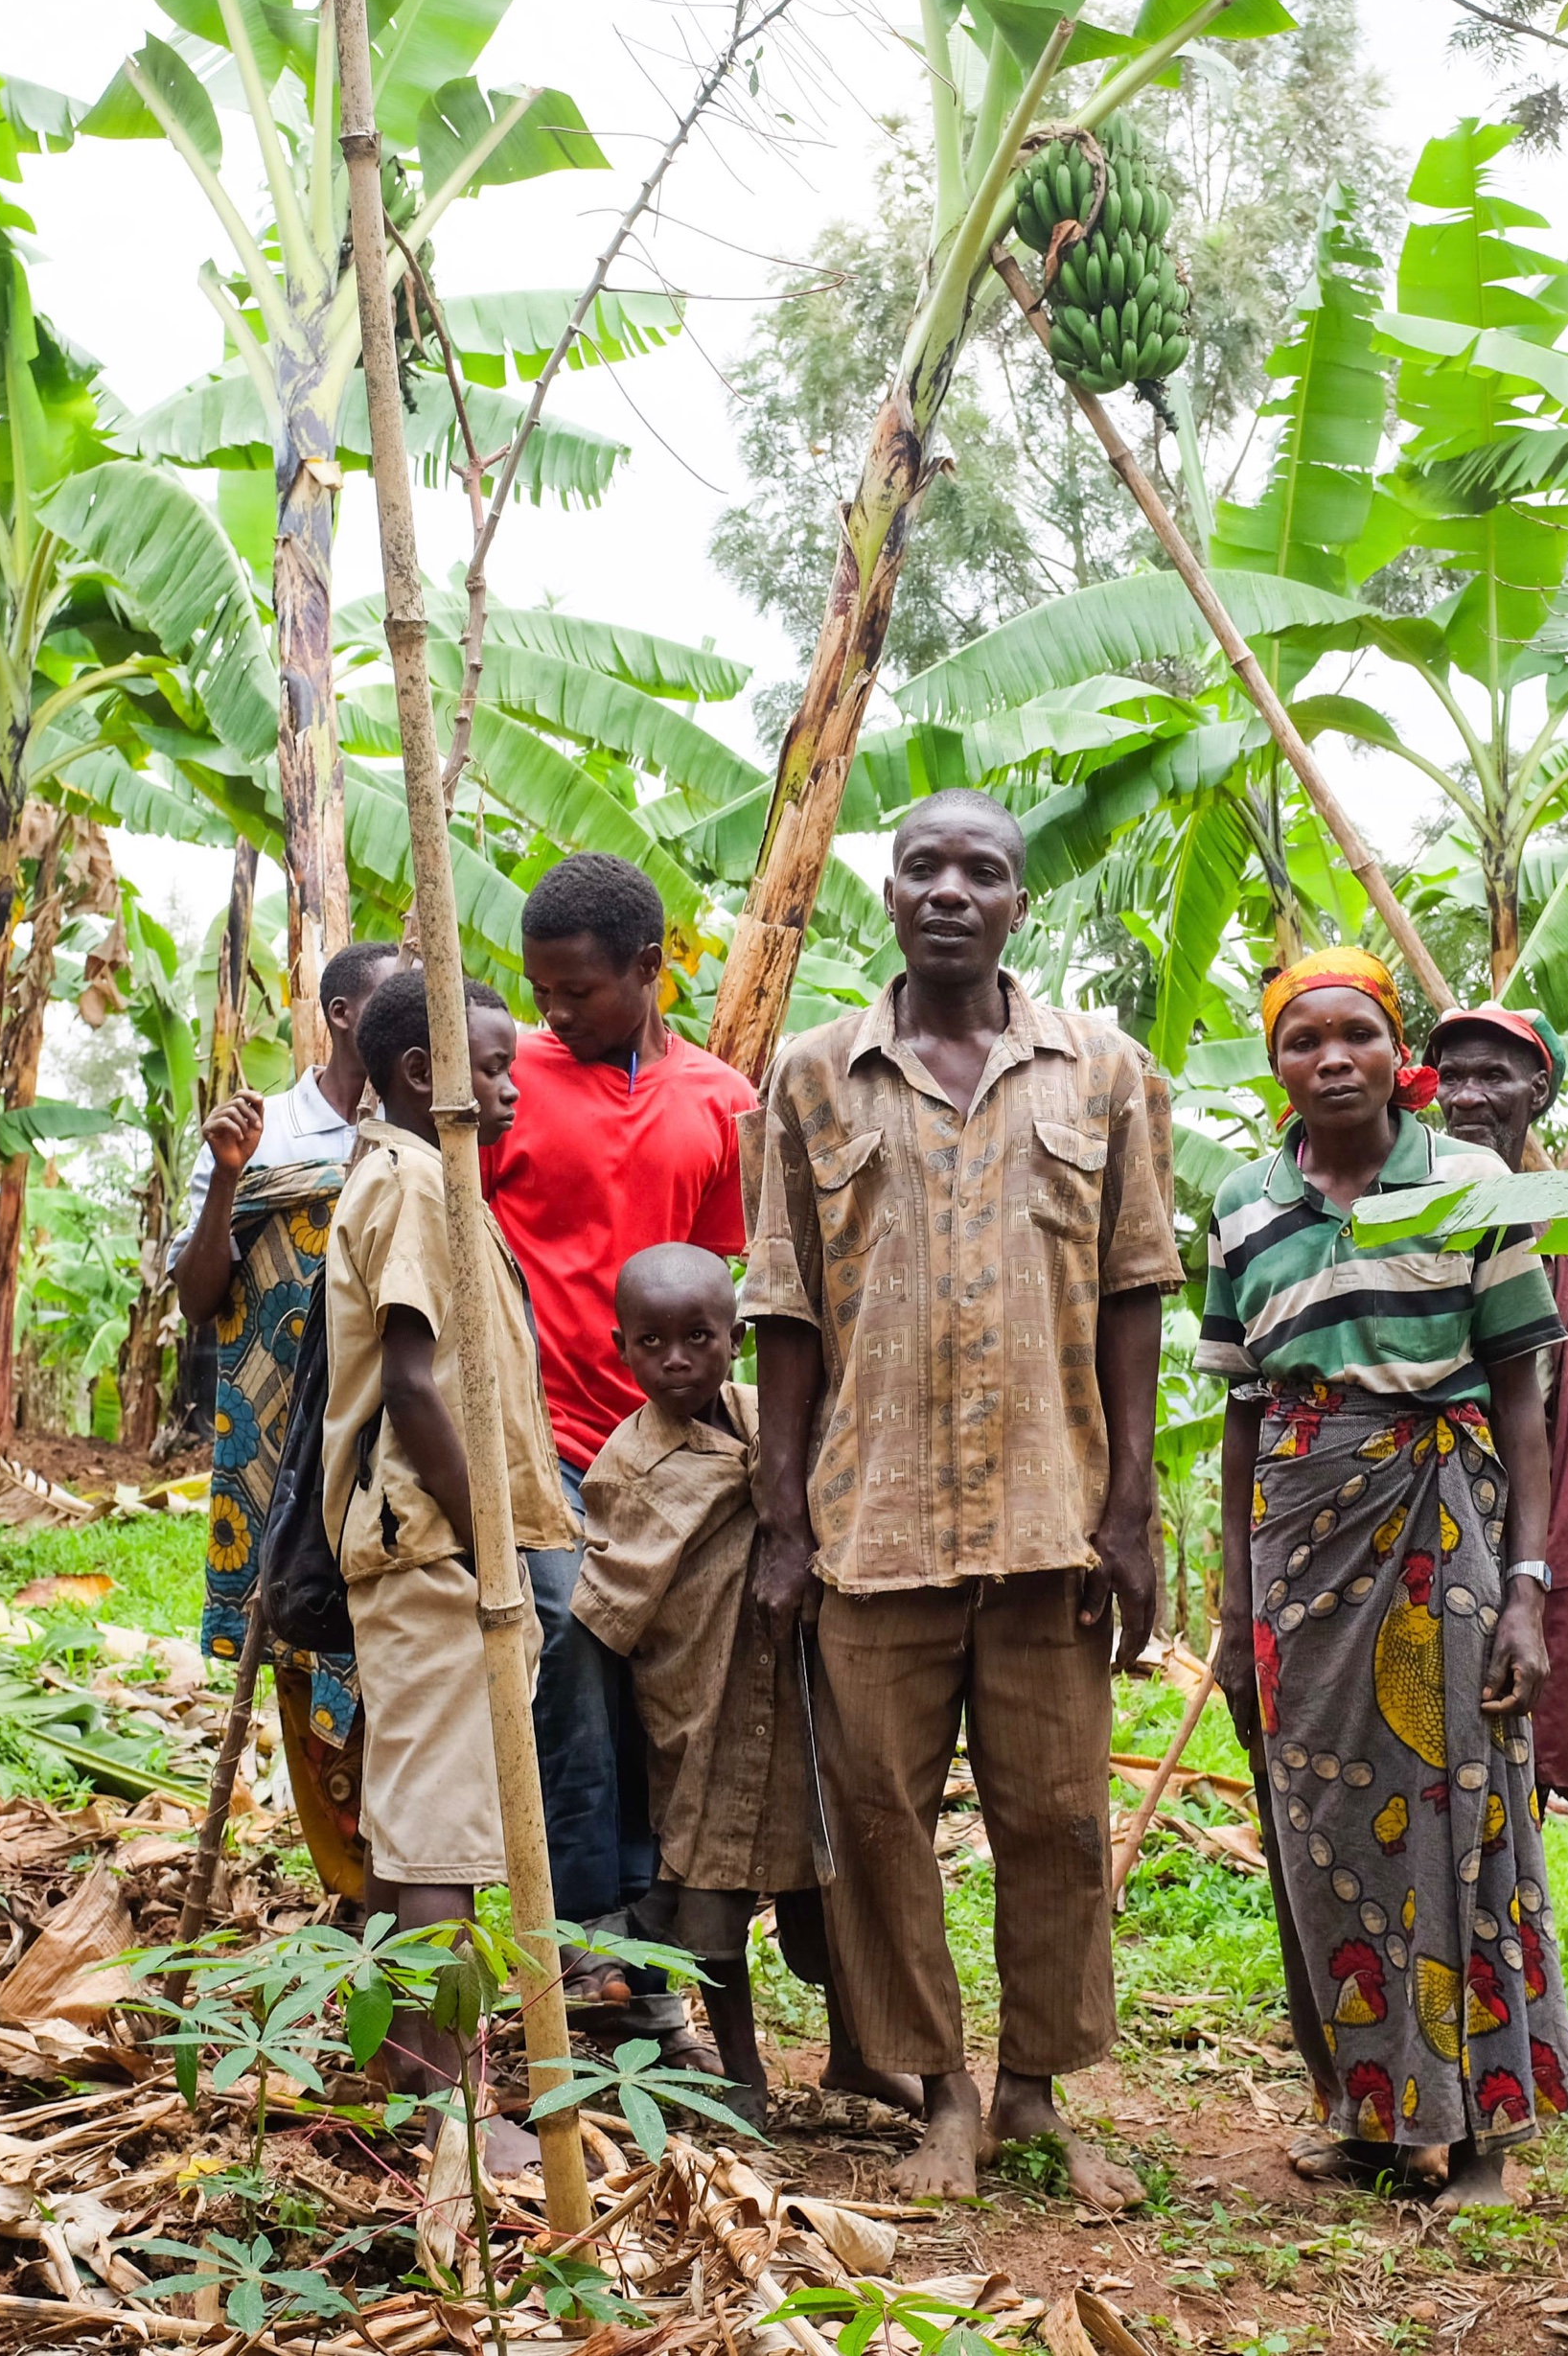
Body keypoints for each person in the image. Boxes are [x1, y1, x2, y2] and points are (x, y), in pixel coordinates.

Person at [745, 789, 1180, 2209]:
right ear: (887, 895)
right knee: (877, 1816)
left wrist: (1132, 1509)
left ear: (1016, 905)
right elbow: (786, 1311)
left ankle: (1037, 2097)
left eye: (979, 871)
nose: (949, 889)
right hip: (869, 1520)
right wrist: (785, 1518)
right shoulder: (812, 1075)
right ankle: (939, 2094)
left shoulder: (1107, 1073)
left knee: (1053, 1816)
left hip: (1052, 1523)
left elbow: (1132, 1294)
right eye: (922, 865)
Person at [1199, 947, 1568, 2203]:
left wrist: (1528, 1588)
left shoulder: (1470, 1184)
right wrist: (1230, 1604)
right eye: (1303, 1040)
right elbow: (1244, 1419)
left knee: (1466, 1814)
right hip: (1299, 1541)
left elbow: (1521, 1399)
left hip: (1448, 1529)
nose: (1331, 1059)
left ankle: (1474, 2130)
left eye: (1355, 1034)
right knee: (1320, 1835)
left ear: (1393, 1052)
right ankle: (1369, 2116)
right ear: (1277, 1067)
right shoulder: (1245, 1208)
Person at [486, 854, 757, 2031]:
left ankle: (658, 1948)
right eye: (541, 990)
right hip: (536, 1427)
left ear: (649, 971)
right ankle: (589, 1943)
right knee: (568, 1639)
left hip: (668, 1449)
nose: (553, 1014)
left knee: (669, 1683)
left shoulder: (721, 1099)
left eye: (579, 991)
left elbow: (714, 1280)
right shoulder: (503, 1086)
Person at [570, 1244, 918, 2129]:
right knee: (715, 1907)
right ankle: (741, 2072)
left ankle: (857, 2052)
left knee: (827, 1887)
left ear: (737, 1339)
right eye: (653, 1342)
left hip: (796, 1709)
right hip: (699, 1716)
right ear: (621, 1348)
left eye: (699, 1336)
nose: (677, 1358)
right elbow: (611, 1604)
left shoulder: (773, 1424)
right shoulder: (628, 1467)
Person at [322, 963, 573, 2168]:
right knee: (444, 1847)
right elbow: (417, 1390)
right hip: (432, 1552)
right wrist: (492, 1556)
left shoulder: (416, 1174)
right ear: (422, 1074)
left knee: (421, 1834)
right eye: (491, 1067)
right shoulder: (418, 1178)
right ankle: (445, 2118)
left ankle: (397, 2090)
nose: (512, 1092)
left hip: (427, 1548)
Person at [173, 937, 398, 1883]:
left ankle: (403, 1877)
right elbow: (196, 1295)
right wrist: (230, 1173)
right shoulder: (266, 1135)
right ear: (344, 1013)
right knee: (304, 1631)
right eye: (397, 1001)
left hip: (394, 1432)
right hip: (280, 1448)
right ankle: (355, 1883)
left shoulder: (434, 1128)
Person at [1428, 1007, 1568, 1802]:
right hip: (1422, 1541)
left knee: (1513, 1793)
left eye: (1494, 1077)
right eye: (1452, 1077)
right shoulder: (1402, 1219)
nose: (1469, 1098)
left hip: (1536, 1562)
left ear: (1538, 1090)